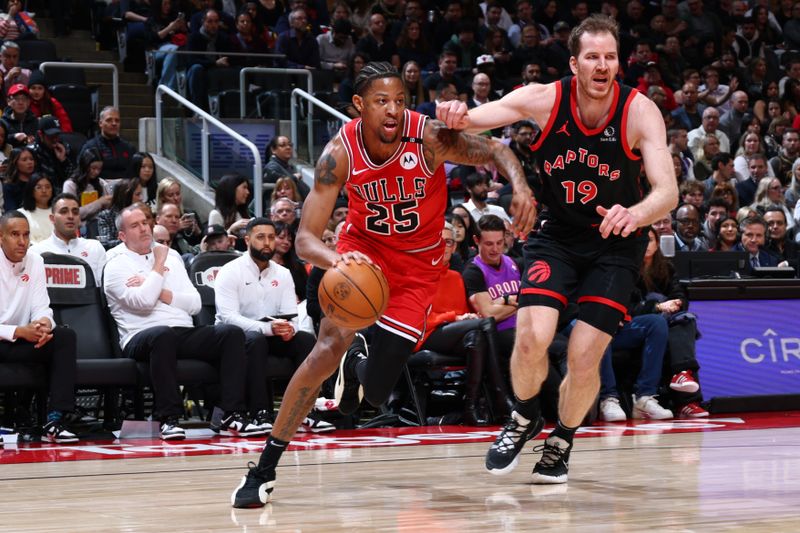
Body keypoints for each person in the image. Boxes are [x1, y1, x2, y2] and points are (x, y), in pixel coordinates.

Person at [231, 61, 534, 507]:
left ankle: (356, 373)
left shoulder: (428, 137)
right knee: (322, 352)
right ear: (359, 106)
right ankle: (264, 468)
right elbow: (304, 240)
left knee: (374, 397)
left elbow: (493, 151)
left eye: (399, 101)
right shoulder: (340, 153)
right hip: (362, 254)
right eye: (380, 102)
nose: (392, 110)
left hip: (417, 268)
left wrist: (521, 185)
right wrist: (339, 259)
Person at [436, 14, 677, 484]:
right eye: (593, 57)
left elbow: (666, 190)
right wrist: (452, 112)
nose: (603, 65)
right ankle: (524, 415)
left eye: (610, 57)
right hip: (558, 237)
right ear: (574, 63)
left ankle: (562, 437)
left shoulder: (639, 110)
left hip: (615, 244)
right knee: (531, 338)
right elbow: (474, 119)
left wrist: (638, 214)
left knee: (585, 357)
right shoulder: (544, 99)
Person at [104, 205, 264, 440]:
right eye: (134, 225)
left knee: (230, 334)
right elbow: (144, 302)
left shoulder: (174, 258)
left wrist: (158, 289)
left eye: (144, 222)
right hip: (139, 336)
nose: (143, 228)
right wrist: (158, 265)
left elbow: (194, 304)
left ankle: (231, 414)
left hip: (182, 332)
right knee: (162, 334)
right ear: (122, 235)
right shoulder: (115, 264)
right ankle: (168, 418)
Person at [214, 217, 331, 433]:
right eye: (260, 237)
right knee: (255, 340)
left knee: (305, 339)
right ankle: (261, 412)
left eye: (271, 237)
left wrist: (290, 329)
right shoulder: (230, 271)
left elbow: (291, 317)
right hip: (236, 338)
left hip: (272, 333)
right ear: (247, 240)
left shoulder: (283, 273)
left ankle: (305, 410)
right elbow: (228, 316)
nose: (267, 242)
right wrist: (268, 328)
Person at [0, 210, 79, 444]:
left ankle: (55, 420)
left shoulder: (35, 260)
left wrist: (44, 325)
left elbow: (42, 306)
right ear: (1, 237)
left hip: (22, 341)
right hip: (5, 340)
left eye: (26, 235)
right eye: (15, 234)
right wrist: (18, 331)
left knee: (64, 336)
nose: (22, 241)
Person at [31, 193, 107, 285]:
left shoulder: (95, 248)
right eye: (64, 212)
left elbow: (102, 290)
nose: (70, 216)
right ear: (52, 218)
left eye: (75, 212)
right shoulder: (37, 252)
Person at [79, 107, 136, 182]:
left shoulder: (129, 148)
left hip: (124, 189)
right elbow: (81, 173)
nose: (114, 123)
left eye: (117, 120)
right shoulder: (90, 147)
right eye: (109, 120)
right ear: (100, 123)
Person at [29, 116, 74, 192]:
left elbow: (74, 178)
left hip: (64, 193)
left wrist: (63, 160)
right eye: (51, 136)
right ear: (40, 134)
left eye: (57, 135)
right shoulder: (32, 152)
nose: (55, 139)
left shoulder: (65, 148)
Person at [18, 173, 54, 245]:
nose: (44, 190)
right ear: (31, 191)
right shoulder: (21, 214)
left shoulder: (58, 213)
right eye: (39, 187)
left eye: (47, 187)